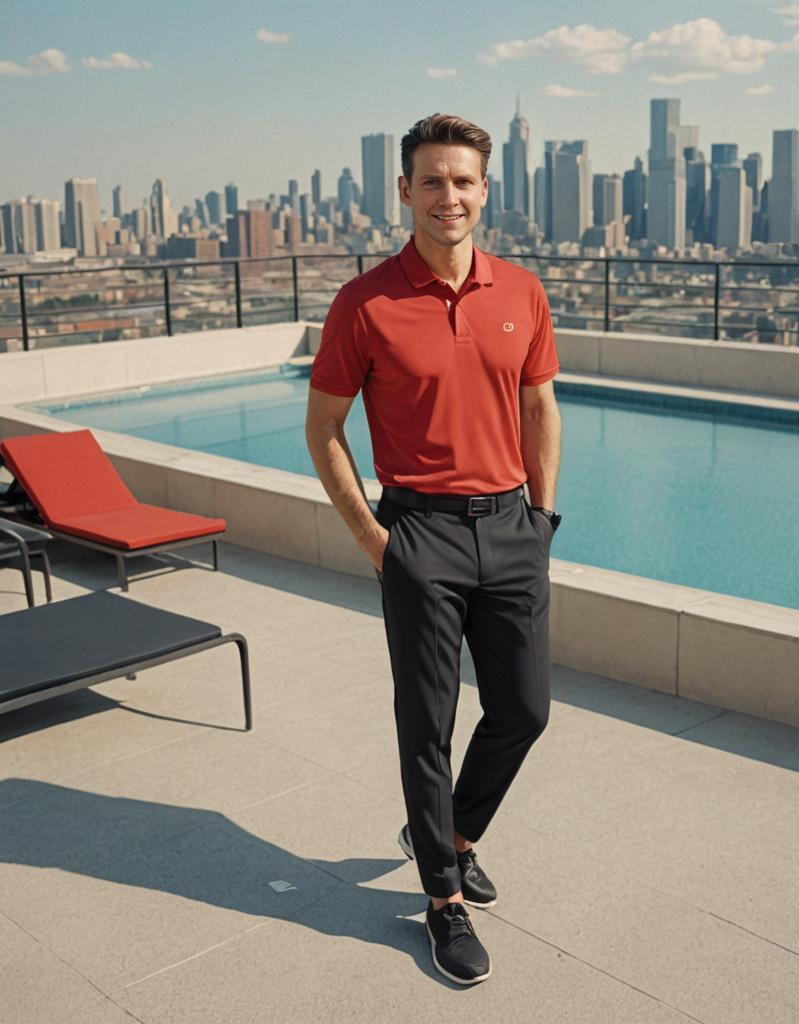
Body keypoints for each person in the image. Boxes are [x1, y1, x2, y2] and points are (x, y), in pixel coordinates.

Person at [305, 112, 562, 985]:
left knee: (525, 709)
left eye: (463, 181)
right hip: (418, 531)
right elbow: (325, 430)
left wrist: (543, 518)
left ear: (484, 191)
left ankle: (448, 836)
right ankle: (442, 902)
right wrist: (378, 541)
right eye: (431, 180)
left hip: (513, 528)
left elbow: (540, 408)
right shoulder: (364, 302)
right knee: (428, 723)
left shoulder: (522, 293)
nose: (448, 195)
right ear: (405, 191)